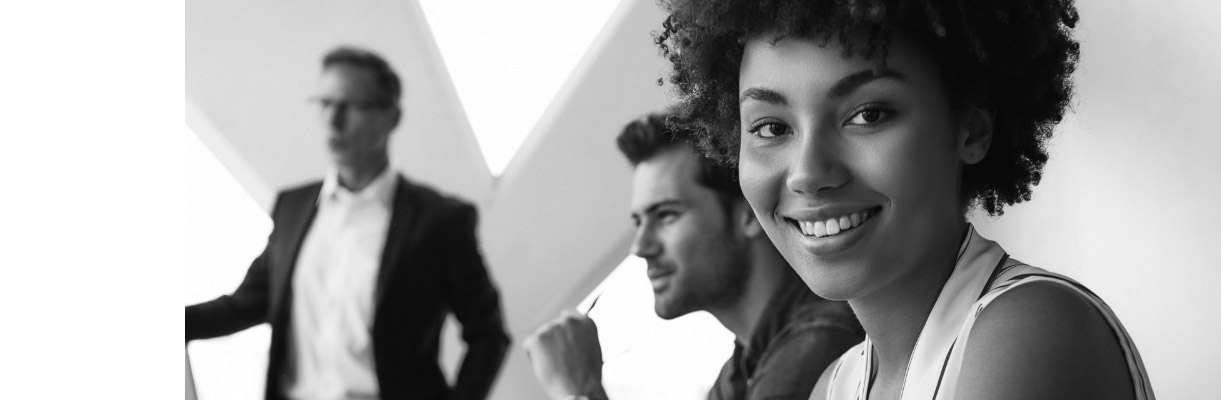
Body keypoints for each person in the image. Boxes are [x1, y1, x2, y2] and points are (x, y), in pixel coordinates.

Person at [655, 1, 1155, 399]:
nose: (808, 174)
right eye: (770, 127)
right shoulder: (834, 385)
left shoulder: (1027, 331)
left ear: (971, 128)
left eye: (868, 114)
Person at [184, 46, 510, 400]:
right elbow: (248, 303)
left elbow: (488, 335)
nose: (333, 120)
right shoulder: (292, 206)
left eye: (350, 106)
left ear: (391, 117)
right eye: (324, 104)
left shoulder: (439, 220)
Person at [524, 113, 864, 400]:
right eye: (639, 222)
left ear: (747, 213)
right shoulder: (742, 368)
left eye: (666, 215)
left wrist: (579, 390)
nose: (640, 247)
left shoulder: (818, 343)